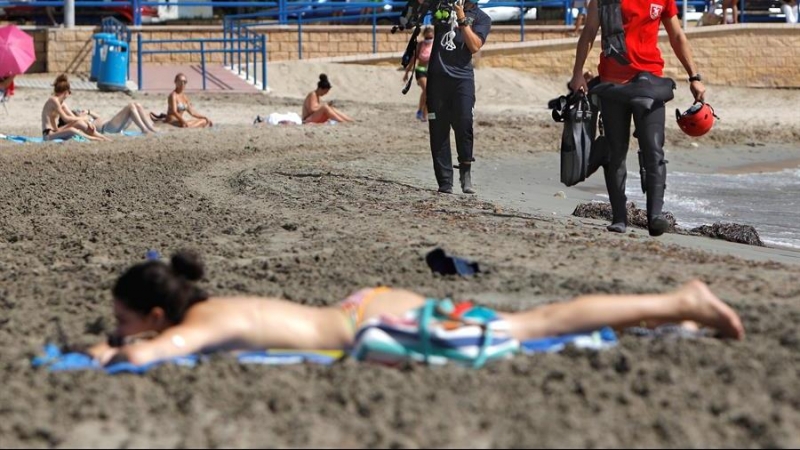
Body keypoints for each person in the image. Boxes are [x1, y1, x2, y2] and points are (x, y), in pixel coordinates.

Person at [88, 251, 744, 367]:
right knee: (535, 325)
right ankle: (670, 317)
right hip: (369, 307)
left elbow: (161, 352)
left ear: (152, 314)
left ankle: (678, 300)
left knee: (536, 324)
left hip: (379, 324)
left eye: (122, 320)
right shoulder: (214, 305)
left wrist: (117, 352)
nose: (118, 330)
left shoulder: (203, 323)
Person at [568, 0, 707, 236]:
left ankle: (655, 216)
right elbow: (590, 31)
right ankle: (619, 217)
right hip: (613, 83)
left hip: (650, 83)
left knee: (653, 149)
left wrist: (694, 76)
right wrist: (577, 73)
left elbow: (676, 35)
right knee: (616, 151)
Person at [426, 0, 492, 195]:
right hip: (437, 78)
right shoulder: (441, 6)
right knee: (438, 130)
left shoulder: (482, 18)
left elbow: (474, 46)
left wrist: (461, 17)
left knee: (464, 125)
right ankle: (445, 182)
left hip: (462, 80)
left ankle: (466, 174)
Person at [41, 75, 109, 142]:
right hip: (48, 134)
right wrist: (84, 118)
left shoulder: (62, 103)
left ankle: (102, 137)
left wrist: (87, 122)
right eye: (69, 92)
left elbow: (73, 117)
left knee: (79, 123)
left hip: (55, 131)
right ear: (65, 92)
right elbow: (66, 118)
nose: (69, 95)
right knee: (71, 130)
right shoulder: (53, 100)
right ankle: (94, 139)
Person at [403, 26, 435, 122]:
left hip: (431, 71)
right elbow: (413, 59)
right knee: (426, 89)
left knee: (430, 93)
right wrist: (407, 73)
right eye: (427, 37)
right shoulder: (420, 45)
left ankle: (424, 115)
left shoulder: (435, 45)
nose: (428, 39)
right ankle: (420, 110)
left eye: (430, 38)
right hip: (420, 70)